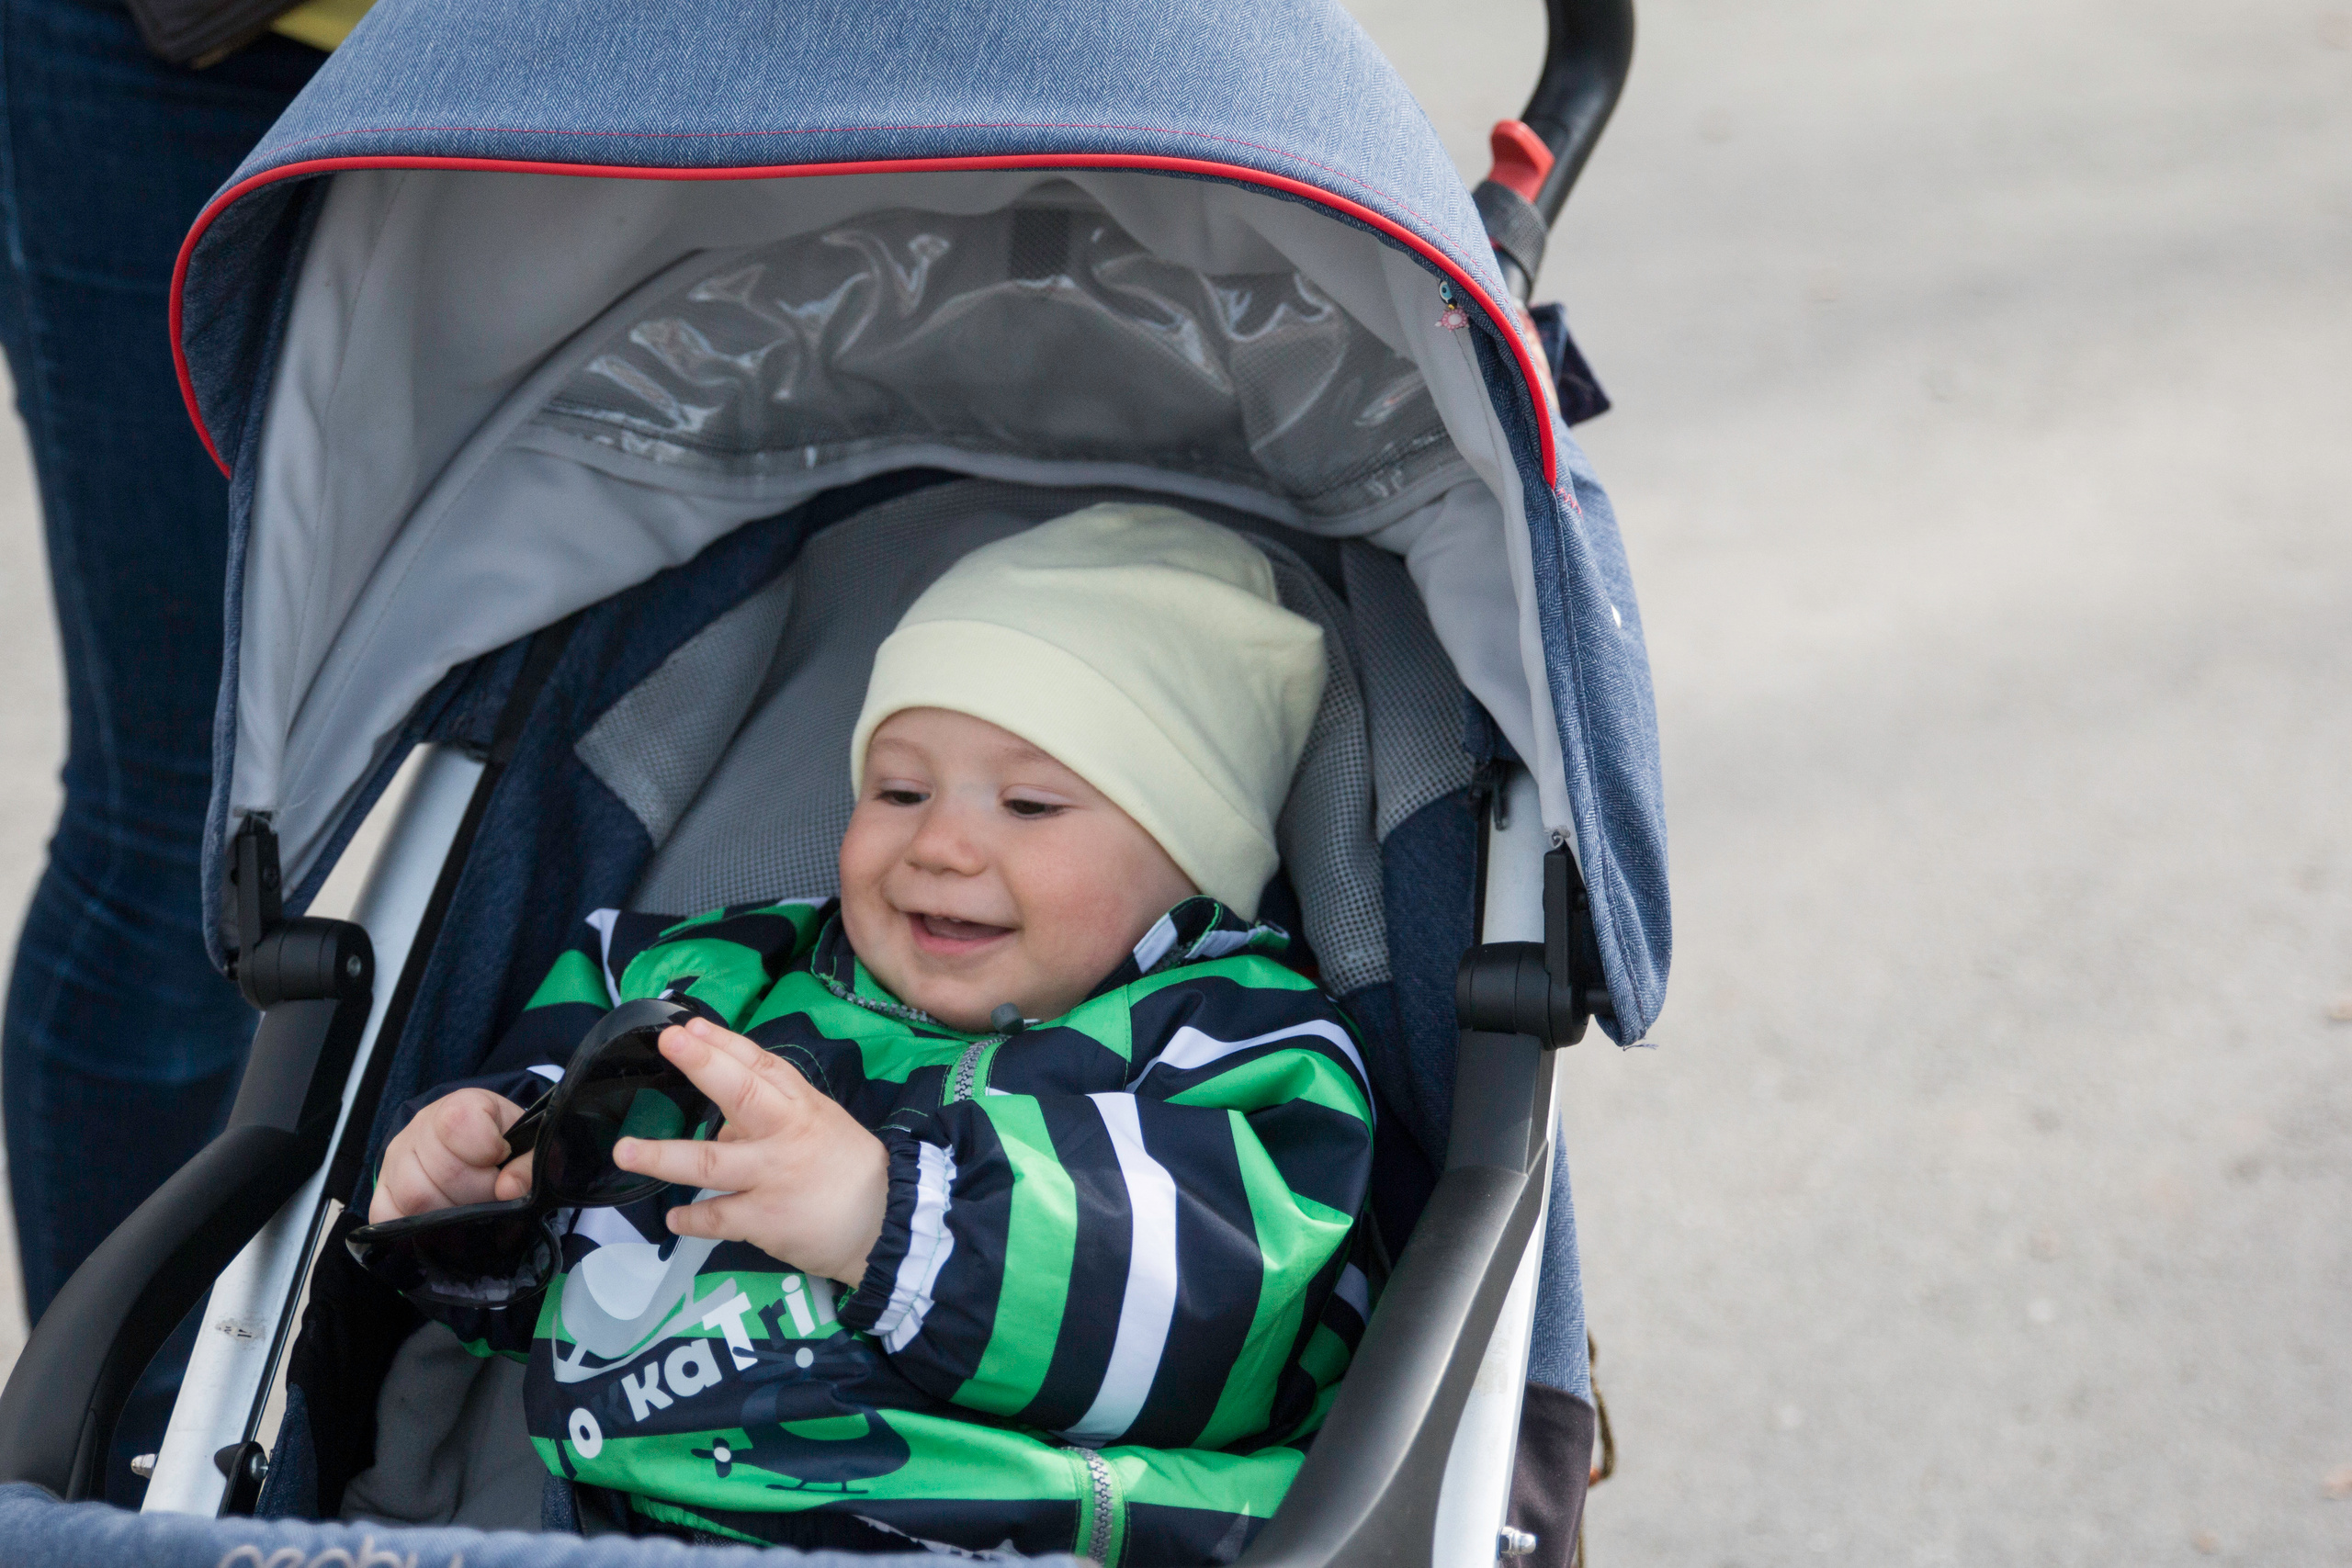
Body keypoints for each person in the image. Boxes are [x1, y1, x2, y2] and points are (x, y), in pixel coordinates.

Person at [360, 505, 1376, 1562]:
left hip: (1011, 1534)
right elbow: (558, 1245)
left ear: (1189, 855)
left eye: (1028, 805)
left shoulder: (1232, 1043)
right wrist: (473, 1182)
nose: (939, 844)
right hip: (634, 1528)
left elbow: (1234, 1326)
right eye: (898, 790)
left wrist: (895, 1219)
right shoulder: (708, 978)